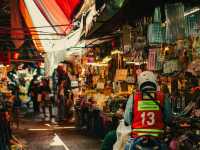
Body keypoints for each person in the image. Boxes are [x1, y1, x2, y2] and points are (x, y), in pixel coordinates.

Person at [124, 71, 172, 150]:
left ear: (139, 83)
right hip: (158, 139)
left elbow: (127, 119)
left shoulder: (133, 97)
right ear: (154, 82)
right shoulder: (163, 96)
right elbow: (168, 118)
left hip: (137, 138)